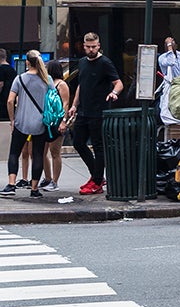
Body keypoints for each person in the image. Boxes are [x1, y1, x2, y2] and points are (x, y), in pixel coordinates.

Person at [67, 31, 122, 195]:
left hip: (99, 111)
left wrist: (114, 93)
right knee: (78, 142)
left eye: (94, 46)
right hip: (83, 110)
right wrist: (74, 105)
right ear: (84, 46)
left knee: (98, 146)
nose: (91, 49)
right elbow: (81, 85)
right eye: (88, 47)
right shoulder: (83, 62)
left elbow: (118, 83)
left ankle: (97, 181)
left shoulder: (105, 63)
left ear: (99, 46)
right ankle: (96, 175)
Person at [5, 51, 54, 199]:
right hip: (40, 123)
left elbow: (10, 101)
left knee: (14, 152)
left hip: (22, 122)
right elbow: (53, 100)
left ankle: (11, 185)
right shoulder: (47, 79)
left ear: (27, 62)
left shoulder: (19, 79)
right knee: (38, 154)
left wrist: (12, 119)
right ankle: (34, 189)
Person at [43, 60, 69, 191]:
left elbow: (65, 103)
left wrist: (63, 121)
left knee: (55, 151)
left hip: (57, 121)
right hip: (47, 121)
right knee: (42, 151)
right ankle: (47, 178)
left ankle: (55, 181)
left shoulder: (61, 84)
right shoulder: (47, 83)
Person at [156, 36, 180, 122]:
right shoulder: (162, 58)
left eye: (173, 43)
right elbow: (171, 62)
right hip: (171, 87)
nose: (172, 45)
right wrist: (169, 47)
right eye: (169, 44)